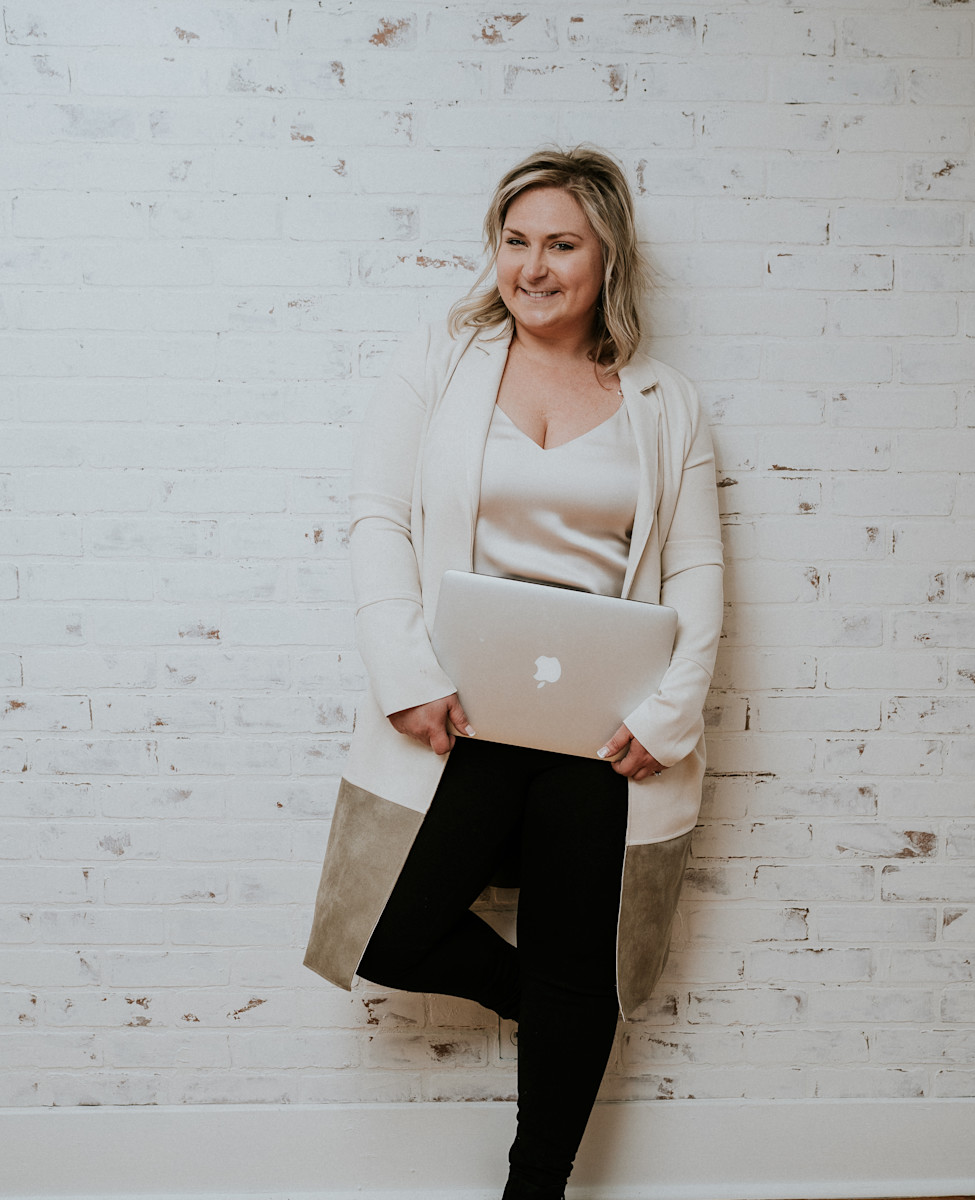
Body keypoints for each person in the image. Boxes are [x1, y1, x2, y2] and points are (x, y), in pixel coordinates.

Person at [303, 145, 724, 1200]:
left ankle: (534, 1192)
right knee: (386, 928)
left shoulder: (665, 402)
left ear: (607, 255)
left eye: (561, 245)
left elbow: (700, 571)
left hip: (603, 724)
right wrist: (404, 671)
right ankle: (558, 1009)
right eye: (515, 240)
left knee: (584, 955)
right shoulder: (440, 361)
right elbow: (377, 518)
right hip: (461, 707)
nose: (533, 268)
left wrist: (669, 715)